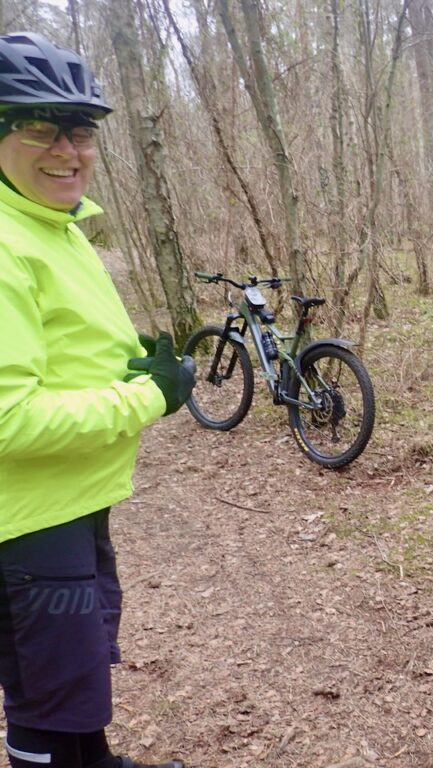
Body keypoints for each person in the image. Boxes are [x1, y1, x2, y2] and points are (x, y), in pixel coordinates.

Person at [0, 32, 195, 768]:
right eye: (37, 127)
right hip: (27, 520)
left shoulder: (51, 223)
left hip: (68, 501)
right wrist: (146, 397)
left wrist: (123, 359)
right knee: (45, 700)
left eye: (78, 130)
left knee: (73, 675)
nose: (66, 149)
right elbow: (8, 419)